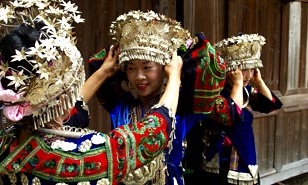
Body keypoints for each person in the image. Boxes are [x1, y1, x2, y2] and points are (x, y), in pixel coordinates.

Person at [0, 1, 182, 185]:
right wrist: (174, 78)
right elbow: (152, 135)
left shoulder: (13, 139)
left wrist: (102, 73)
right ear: (61, 99)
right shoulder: (76, 155)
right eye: (72, 90)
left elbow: (66, 113)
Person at [88, 10, 227, 185]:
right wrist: (106, 69)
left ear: (165, 69)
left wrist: (176, 71)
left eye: (147, 67)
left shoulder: (181, 108)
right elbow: (97, 65)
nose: (139, 77)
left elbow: (211, 64)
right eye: (131, 68)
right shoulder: (120, 106)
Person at [183, 33, 283, 185]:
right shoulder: (214, 92)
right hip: (219, 159)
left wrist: (259, 81)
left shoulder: (246, 90)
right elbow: (231, 115)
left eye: (252, 69)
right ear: (231, 69)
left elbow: (270, 106)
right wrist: (237, 84)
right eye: (243, 69)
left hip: (244, 154)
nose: (248, 75)